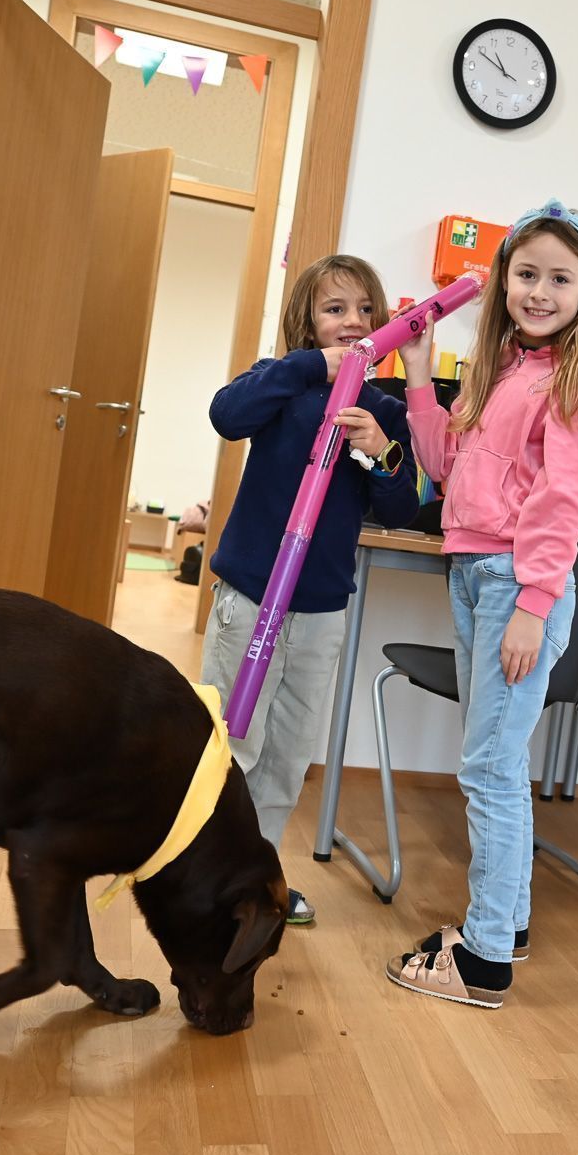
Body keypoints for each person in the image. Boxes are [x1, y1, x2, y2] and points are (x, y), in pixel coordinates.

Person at [387, 200, 578, 1008]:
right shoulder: (501, 366)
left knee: (489, 766)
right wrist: (422, 375)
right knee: (495, 759)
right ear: (504, 281)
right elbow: (442, 466)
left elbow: (566, 498)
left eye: (560, 278)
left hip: (515, 584)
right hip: (472, 572)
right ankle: (512, 922)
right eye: (526, 273)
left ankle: (486, 957)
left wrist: (534, 602)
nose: (539, 290)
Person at [202, 254, 418, 926]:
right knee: (233, 745)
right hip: (252, 601)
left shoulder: (384, 409)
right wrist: (309, 368)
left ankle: (254, 881)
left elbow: (407, 504)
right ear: (308, 322)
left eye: (364, 311)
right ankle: (205, 878)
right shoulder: (281, 388)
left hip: (321, 610)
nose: (352, 322)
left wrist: (381, 447)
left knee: (290, 754)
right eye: (335, 309)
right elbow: (226, 415)